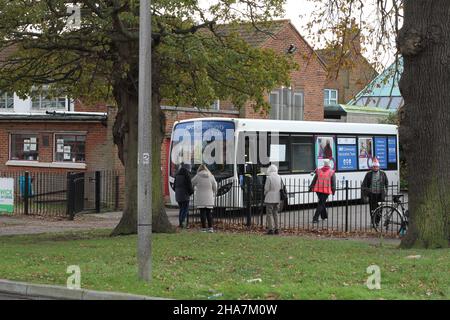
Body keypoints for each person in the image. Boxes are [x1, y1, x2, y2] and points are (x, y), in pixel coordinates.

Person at [362, 157, 389, 224]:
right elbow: (364, 185)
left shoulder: (383, 173)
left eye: (376, 166)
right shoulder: (368, 174)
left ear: (378, 166)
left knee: (380, 209)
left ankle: (377, 221)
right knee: (372, 209)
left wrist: (385, 192)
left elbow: (386, 183)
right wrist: (366, 193)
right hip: (372, 194)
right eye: (374, 166)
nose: (375, 168)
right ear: (372, 167)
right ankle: (373, 221)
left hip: (380, 194)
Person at [309, 159, 336, 223]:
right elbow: (333, 183)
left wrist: (311, 187)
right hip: (326, 190)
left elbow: (314, 180)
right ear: (329, 164)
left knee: (321, 202)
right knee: (321, 203)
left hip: (317, 190)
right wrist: (333, 191)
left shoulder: (319, 171)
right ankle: (315, 218)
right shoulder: (331, 172)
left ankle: (324, 216)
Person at [192, 164, 217, 232]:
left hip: (200, 197)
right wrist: (214, 192)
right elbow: (215, 186)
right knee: (209, 213)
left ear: (199, 169)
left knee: (202, 213)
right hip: (209, 197)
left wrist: (195, 189)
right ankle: (210, 228)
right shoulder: (211, 176)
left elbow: (192, 183)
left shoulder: (197, 176)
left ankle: (203, 228)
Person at [264, 164, 283, 235]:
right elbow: (281, 187)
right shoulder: (279, 177)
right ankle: (277, 229)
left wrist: (264, 193)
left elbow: (266, 188)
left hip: (269, 198)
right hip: (277, 197)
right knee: (275, 213)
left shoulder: (269, 178)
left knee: (269, 214)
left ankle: (270, 229)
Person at [174, 164, 193, 228]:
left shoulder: (177, 175)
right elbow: (189, 186)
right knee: (185, 209)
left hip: (178, 195)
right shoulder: (187, 175)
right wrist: (191, 193)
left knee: (181, 209)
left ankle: (180, 223)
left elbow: (174, 187)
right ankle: (182, 222)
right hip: (185, 195)